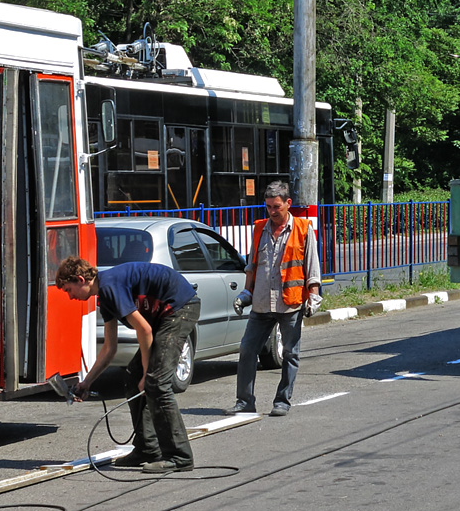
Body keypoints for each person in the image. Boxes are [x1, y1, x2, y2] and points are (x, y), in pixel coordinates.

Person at [56, 256, 200, 473]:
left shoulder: (109, 287)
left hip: (180, 308)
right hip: (163, 315)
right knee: (133, 376)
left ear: (81, 280)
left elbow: (145, 330)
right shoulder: (105, 297)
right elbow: (109, 348)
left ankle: (179, 456)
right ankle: (147, 449)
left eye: (69, 290)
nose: (70, 297)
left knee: (156, 383)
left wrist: (147, 373)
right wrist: (86, 383)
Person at [225, 180, 322, 417]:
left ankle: (282, 401)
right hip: (261, 303)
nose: (272, 211)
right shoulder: (260, 229)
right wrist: (246, 293)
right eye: (268, 206)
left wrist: (314, 295)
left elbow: (312, 265)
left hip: (290, 304)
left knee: (290, 354)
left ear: (288, 203)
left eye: (276, 206)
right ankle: (245, 401)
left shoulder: (303, 229)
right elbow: (252, 265)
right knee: (247, 350)